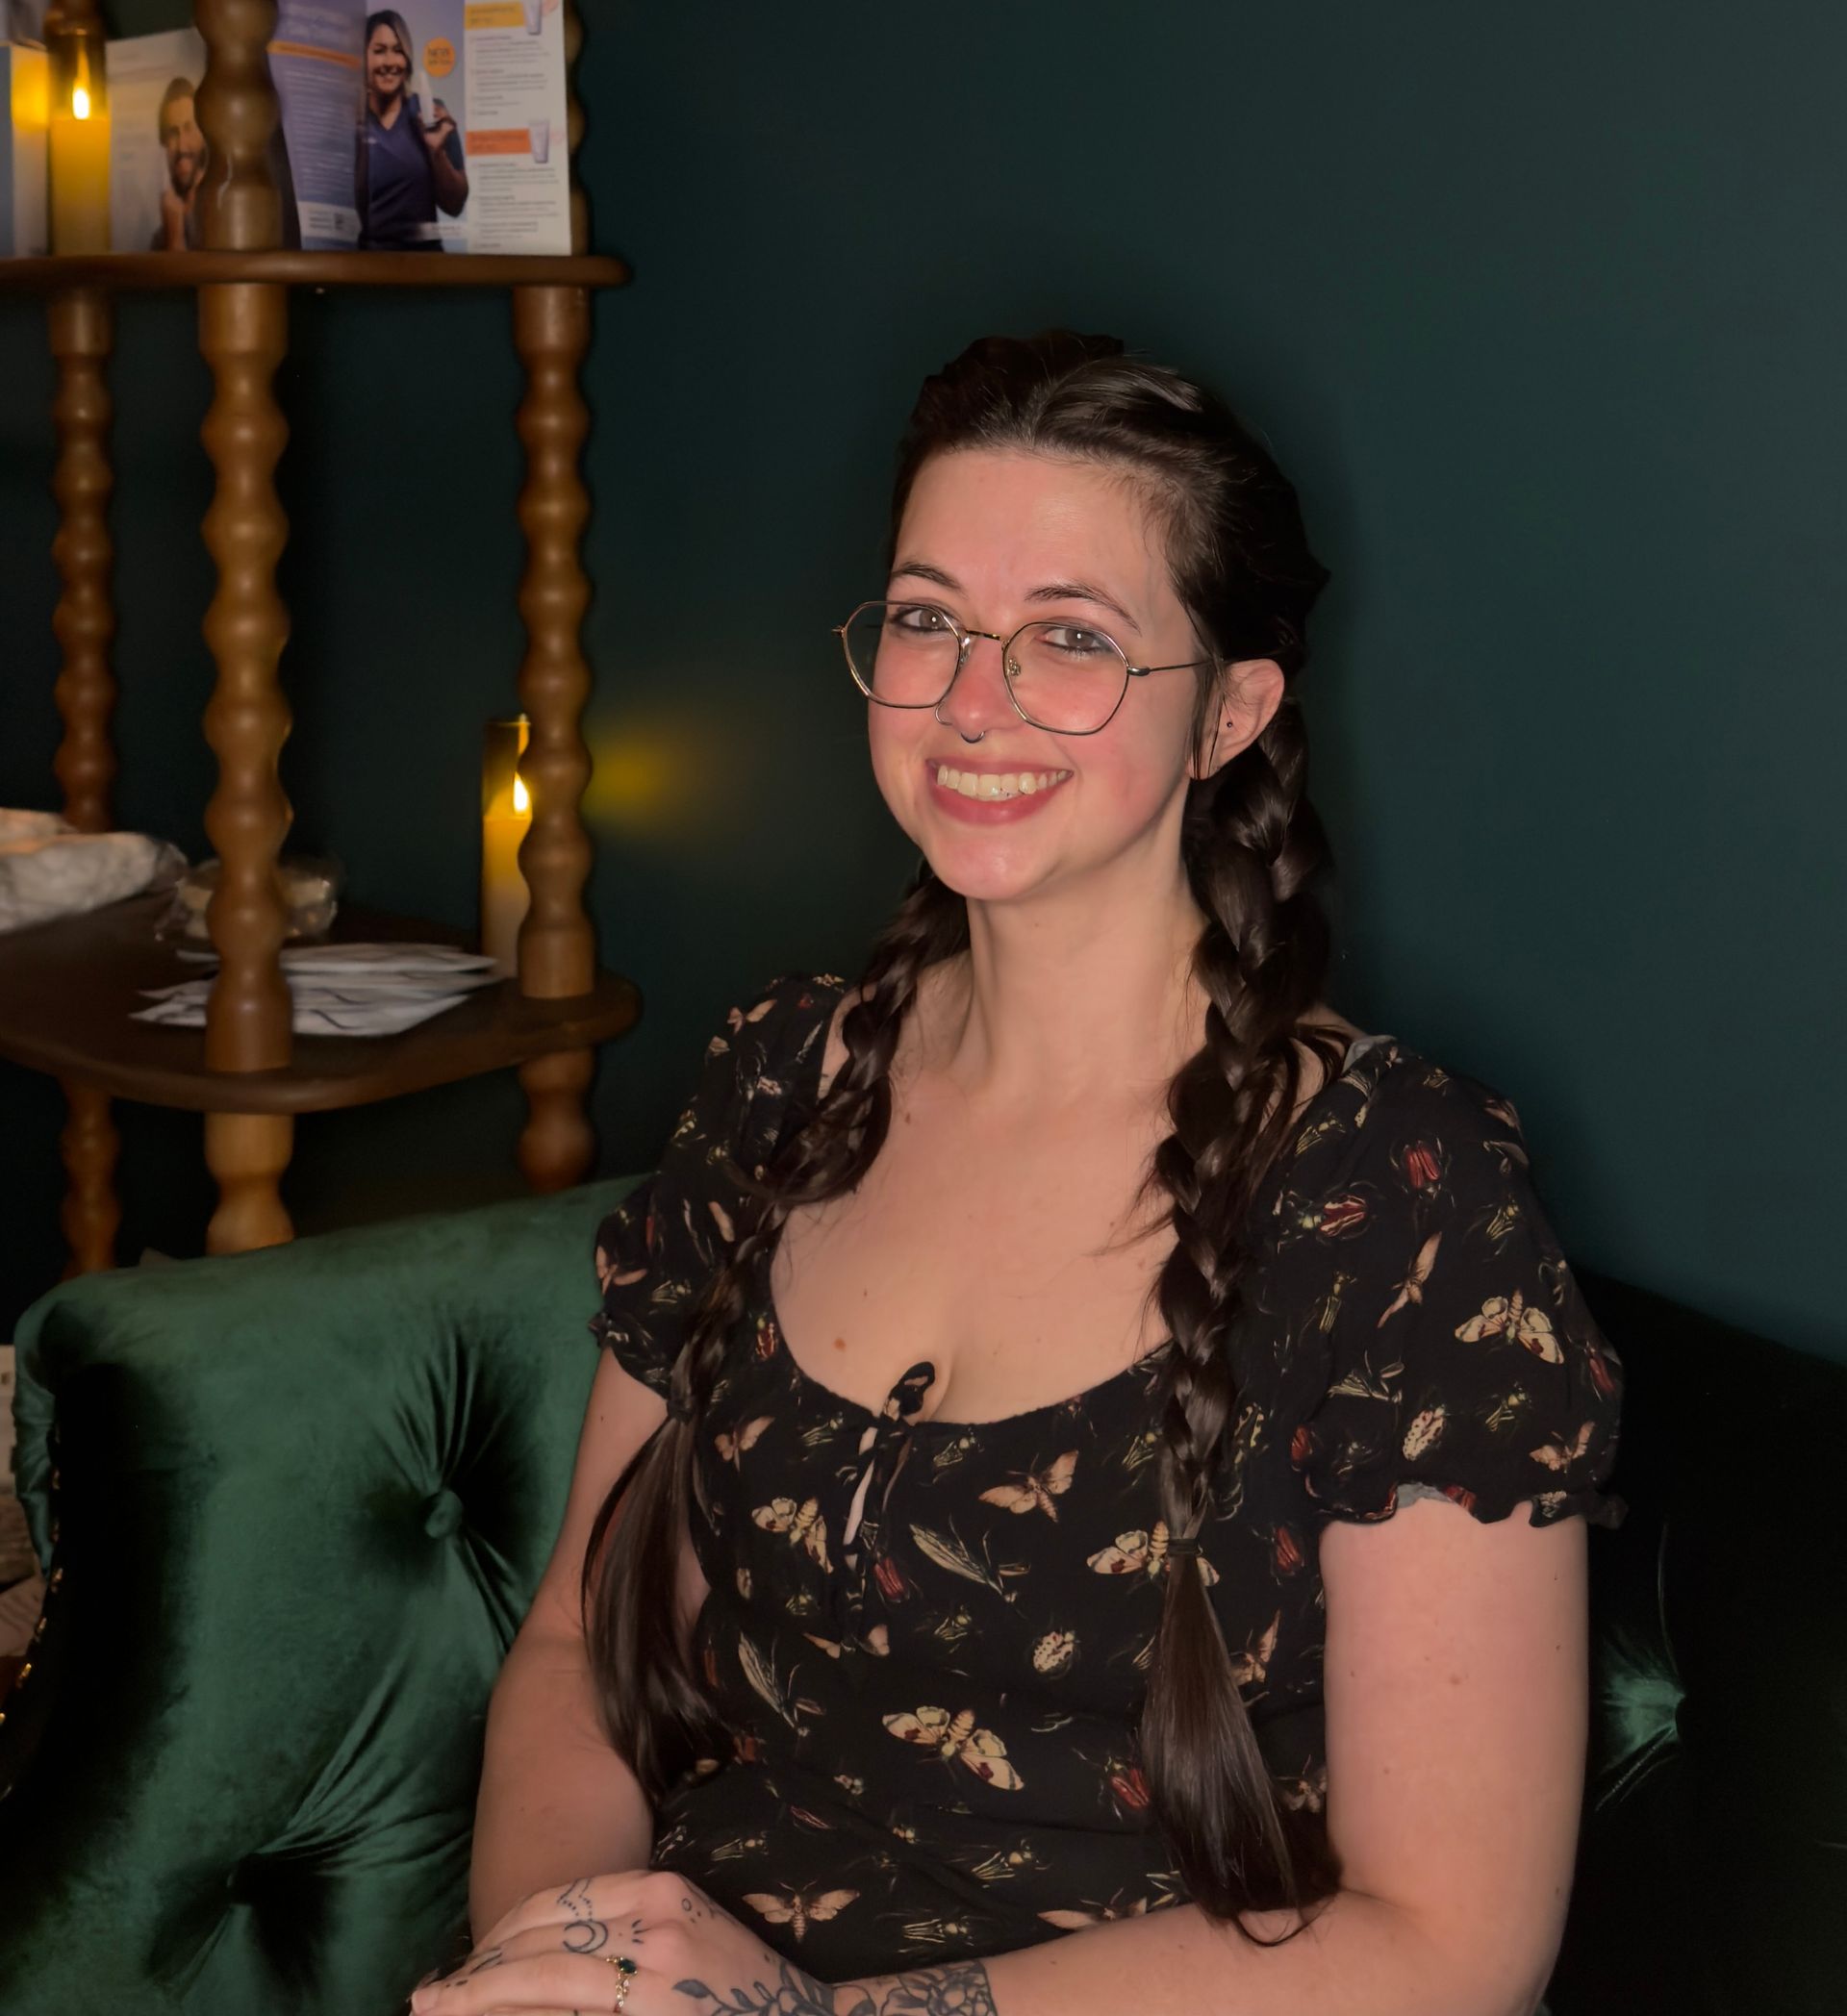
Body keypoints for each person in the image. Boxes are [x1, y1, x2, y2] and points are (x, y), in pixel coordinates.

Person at [436, 333, 1624, 2016]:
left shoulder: (1403, 1196)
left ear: (1230, 715)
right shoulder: (783, 1076)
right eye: (927, 620)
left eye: (1073, 638)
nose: (970, 703)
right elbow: (578, 1647)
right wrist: (562, 1968)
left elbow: (1452, 1944)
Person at [356, 10, 466, 251]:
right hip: (367, 264)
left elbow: (455, 206)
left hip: (425, 264)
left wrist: (437, 153)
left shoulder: (432, 114)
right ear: (362, 56)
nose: (390, 62)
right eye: (379, 51)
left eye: (398, 51)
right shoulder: (351, 121)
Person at [151, 76, 206, 253]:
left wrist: (175, 241)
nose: (182, 146)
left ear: (204, 136)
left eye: (189, 128)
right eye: (173, 133)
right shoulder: (160, 239)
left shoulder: (224, 222)